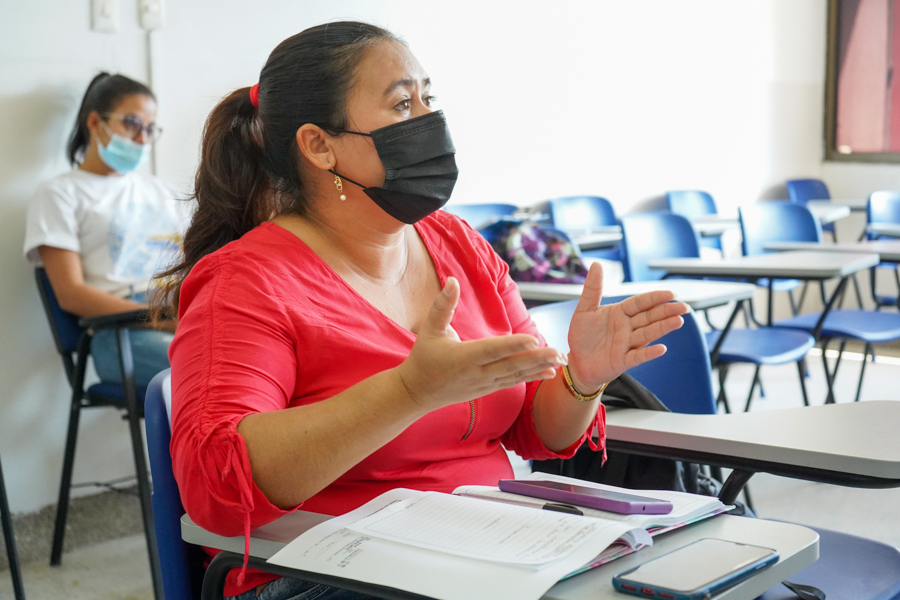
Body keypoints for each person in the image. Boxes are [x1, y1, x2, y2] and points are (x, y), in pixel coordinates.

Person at [158, 22, 688, 600]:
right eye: (402, 104)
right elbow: (217, 487)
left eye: (428, 99)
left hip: (487, 549)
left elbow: (534, 429)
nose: (429, 122)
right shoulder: (245, 280)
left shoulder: (459, 244)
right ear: (319, 145)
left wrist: (582, 378)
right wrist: (409, 391)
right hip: (324, 573)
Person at [24, 73, 185, 387]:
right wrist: (162, 318)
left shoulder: (166, 193)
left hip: (178, 312)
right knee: (209, 372)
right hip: (120, 330)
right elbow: (71, 294)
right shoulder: (59, 194)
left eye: (149, 129)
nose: (142, 139)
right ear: (95, 122)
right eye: (132, 124)